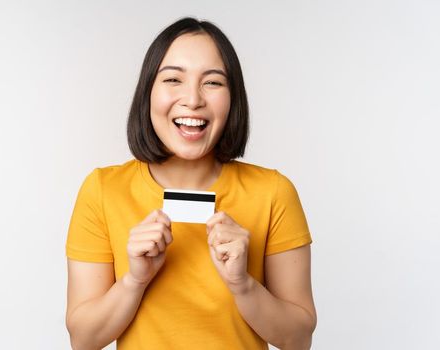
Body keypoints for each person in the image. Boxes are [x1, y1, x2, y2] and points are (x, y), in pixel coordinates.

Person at [64, 17, 317, 350]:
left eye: (212, 83)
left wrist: (242, 284)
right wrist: (134, 280)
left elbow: (299, 339)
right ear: (148, 92)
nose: (193, 99)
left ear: (233, 98)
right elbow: (83, 339)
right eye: (173, 79)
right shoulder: (102, 190)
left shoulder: (273, 192)